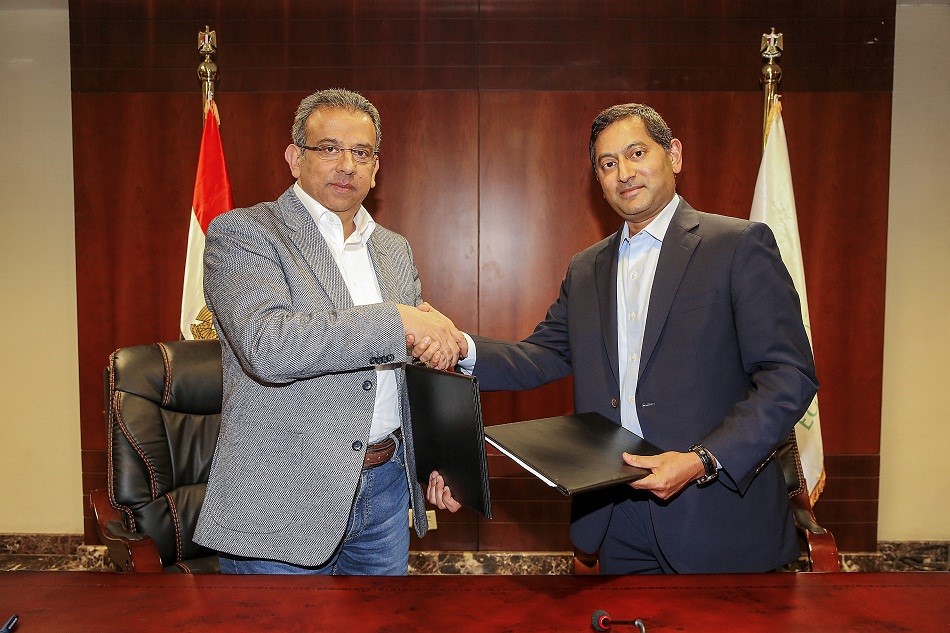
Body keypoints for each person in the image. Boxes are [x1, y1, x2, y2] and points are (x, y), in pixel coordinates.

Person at [423, 103, 818, 574]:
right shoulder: (586, 268)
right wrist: (459, 346)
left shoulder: (738, 246)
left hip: (714, 512)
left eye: (637, 153)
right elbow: (541, 355)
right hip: (615, 518)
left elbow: (789, 376)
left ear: (673, 155)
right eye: (608, 163)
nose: (624, 173)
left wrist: (702, 460)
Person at [194, 88, 467, 575]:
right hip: (282, 499)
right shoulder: (245, 233)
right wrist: (399, 319)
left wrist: (434, 459)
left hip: (385, 494)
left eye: (361, 153)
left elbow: (410, 371)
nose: (346, 165)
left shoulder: (394, 249)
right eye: (328, 148)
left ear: (375, 168)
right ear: (294, 158)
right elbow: (269, 346)